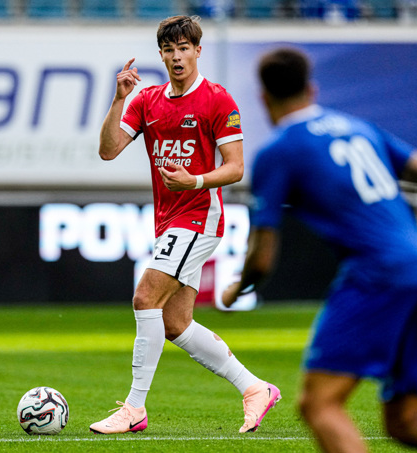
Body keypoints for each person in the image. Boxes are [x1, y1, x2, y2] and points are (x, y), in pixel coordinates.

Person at [223, 46, 417, 452]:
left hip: (377, 275)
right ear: (312, 89)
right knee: (405, 422)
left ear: (263, 98)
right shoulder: (358, 128)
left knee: (319, 405)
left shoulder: (279, 152)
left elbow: (262, 259)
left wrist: (237, 288)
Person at [89, 15, 281, 435]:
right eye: (169, 50)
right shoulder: (146, 100)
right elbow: (107, 150)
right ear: (161, 55)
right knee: (175, 322)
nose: (177, 57)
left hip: (200, 216)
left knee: (145, 297)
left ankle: (134, 408)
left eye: (184, 48)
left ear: (197, 51)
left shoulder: (217, 99)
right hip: (168, 220)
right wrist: (119, 99)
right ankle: (255, 388)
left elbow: (235, 167)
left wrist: (193, 180)